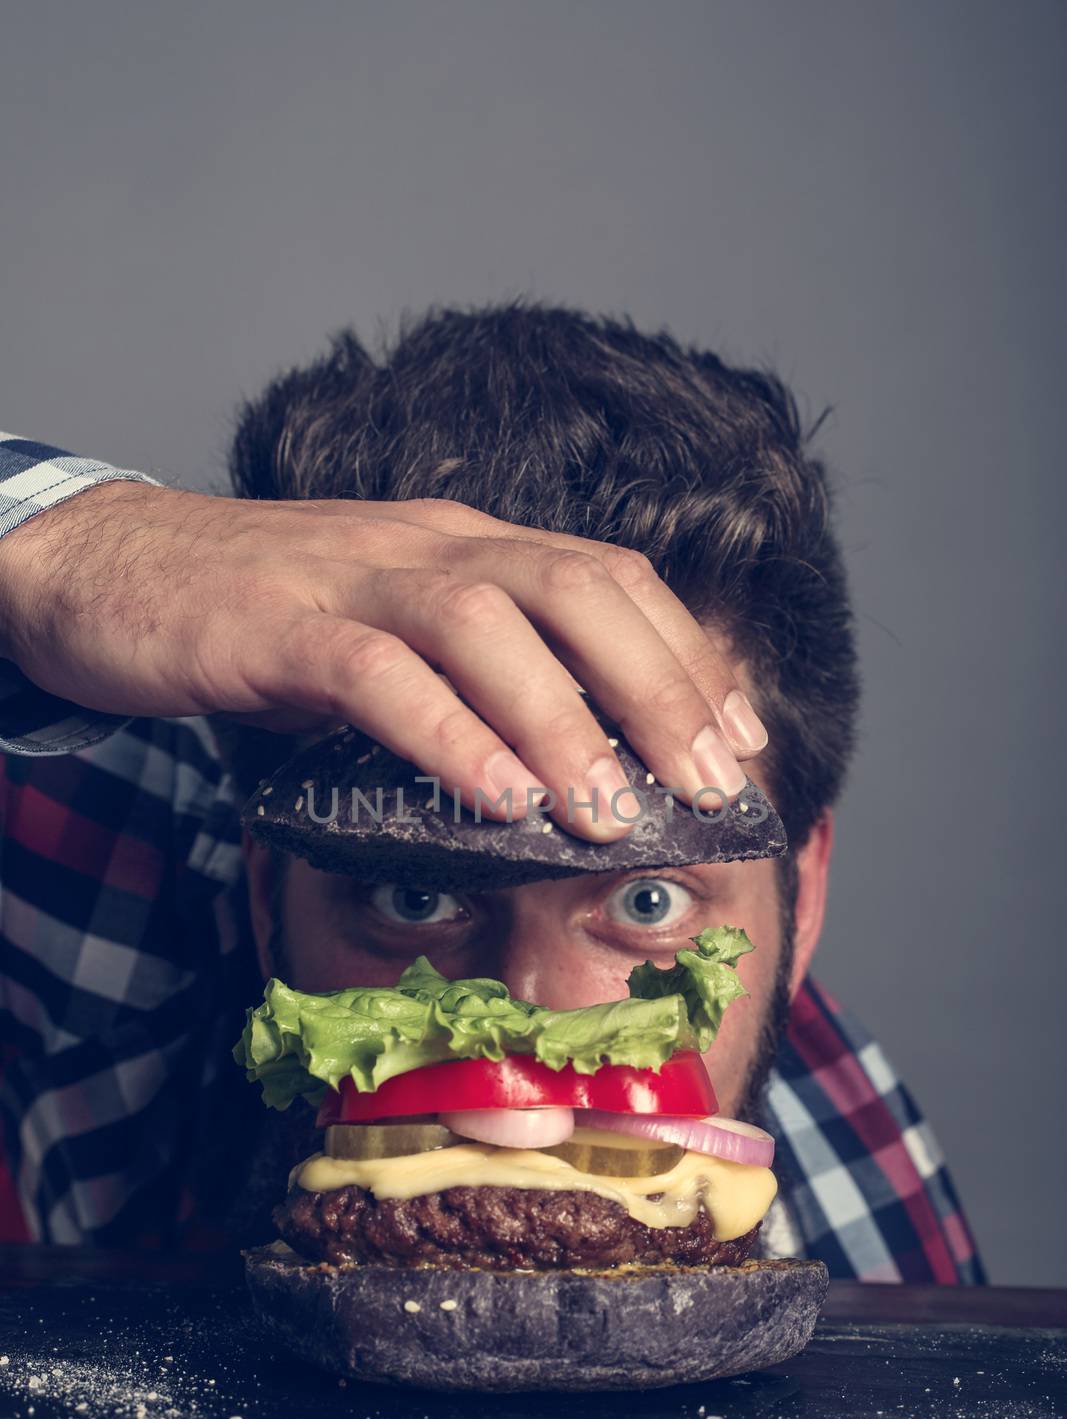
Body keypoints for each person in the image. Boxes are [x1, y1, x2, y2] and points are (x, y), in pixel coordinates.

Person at [0, 303, 983, 1281]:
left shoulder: (873, 1238)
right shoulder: (116, 900)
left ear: (800, 906)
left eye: (649, 900)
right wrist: (58, 551)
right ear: (263, 895)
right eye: (412, 895)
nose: (515, 1101)